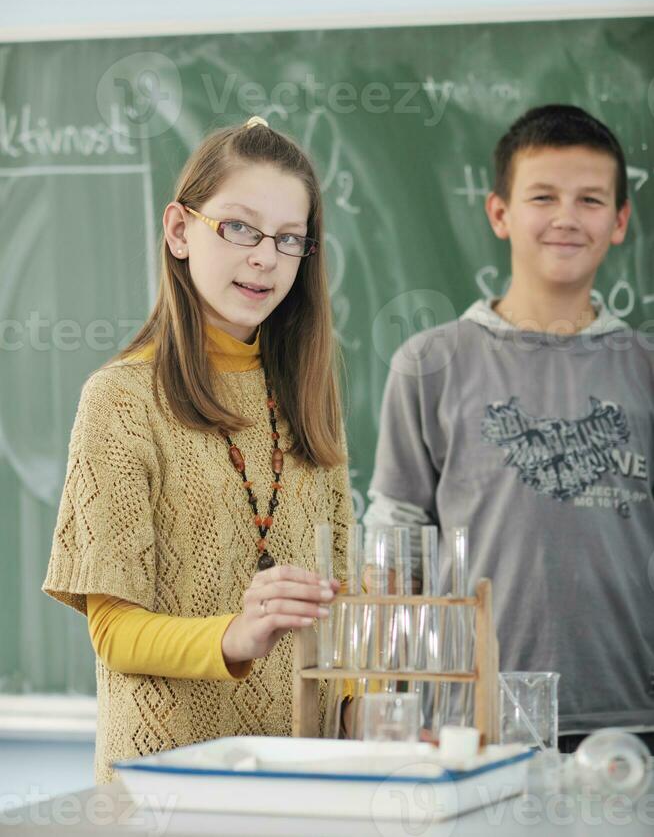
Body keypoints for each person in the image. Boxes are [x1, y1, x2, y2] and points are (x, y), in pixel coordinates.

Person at [43, 116, 353, 782]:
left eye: (289, 239)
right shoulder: (121, 401)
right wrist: (234, 636)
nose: (265, 257)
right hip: (168, 788)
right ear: (181, 231)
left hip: (307, 782)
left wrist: (375, 714)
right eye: (240, 228)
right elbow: (115, 633)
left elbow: (345, 607)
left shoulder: (309, 400)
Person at [364, 104, 654, 752]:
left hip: (630, 715)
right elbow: (397, 541)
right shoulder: (431, 362)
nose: (565, 218)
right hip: (469, 717)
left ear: (619, 221)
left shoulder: (645, 369)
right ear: (500, 213)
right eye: (542, 196)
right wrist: (403, 699)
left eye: (590, 199)